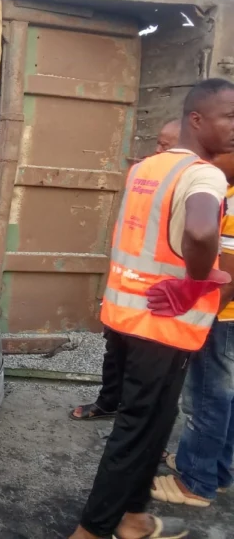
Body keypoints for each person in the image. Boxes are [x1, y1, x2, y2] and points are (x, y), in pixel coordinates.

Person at [69, 78, 234, 539]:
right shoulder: (205, 173)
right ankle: (91, 530)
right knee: (139, 431)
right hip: (163, 325)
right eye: (230, 117)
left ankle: (134, 517)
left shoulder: (146, 167)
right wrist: (194, 285)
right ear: (198, 120)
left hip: (127, 314)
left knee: (153, 424)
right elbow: (201, 233)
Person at [70, 119, 183, 425]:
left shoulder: (190, 188)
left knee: (146, 373)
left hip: (157, 302)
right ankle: (108, 403)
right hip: (125, 290)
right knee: (115, 353)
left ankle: (143, 432)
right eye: (158, 144)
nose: (157, 152)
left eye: (167, 146)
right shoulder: (143, 177)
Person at [152, 151, 234, 508]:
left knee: (206, 399)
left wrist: (200, 318)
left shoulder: (229, 198)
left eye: (219, 153)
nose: (210, 159)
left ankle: (195, 481)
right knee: (226, 398)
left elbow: (229, 273)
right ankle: (218, 472)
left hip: (223, 317)